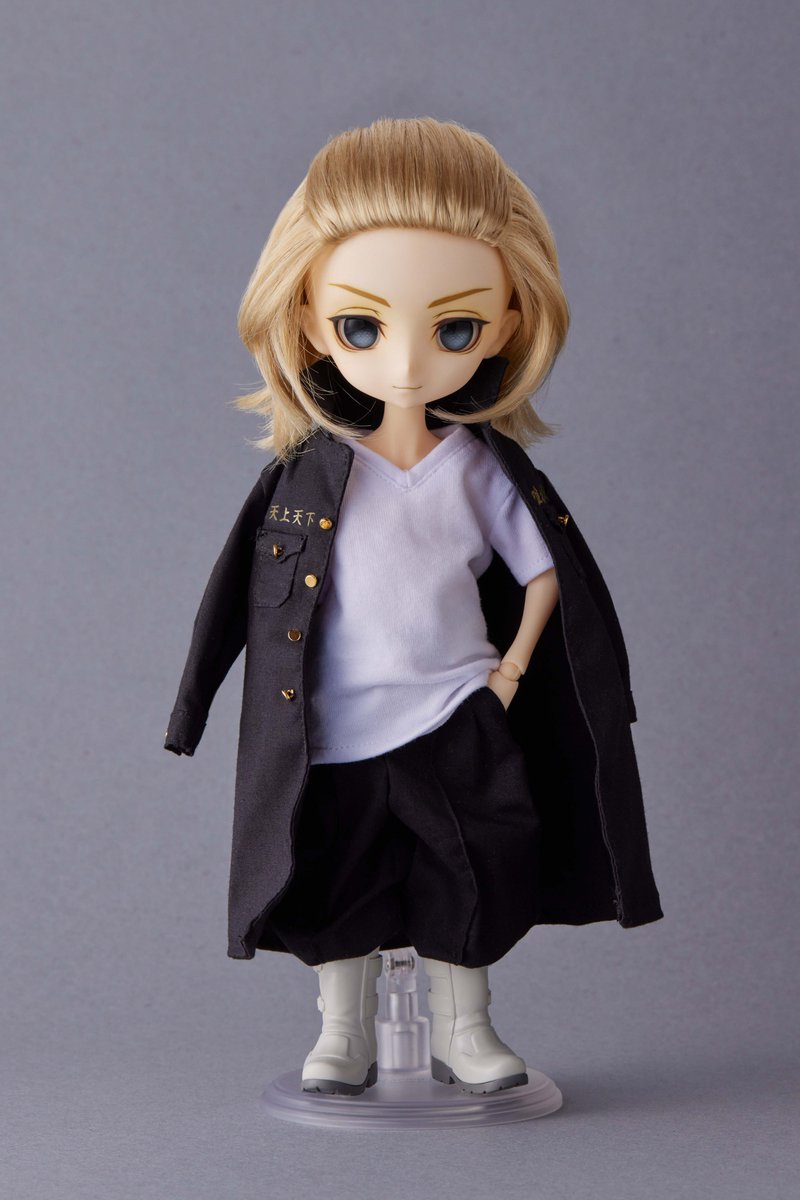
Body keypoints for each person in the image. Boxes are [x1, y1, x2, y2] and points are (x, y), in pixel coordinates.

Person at [164, 117, 663, 1099]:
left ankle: (466, 1028)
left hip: (454, 714)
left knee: (472, 869)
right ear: (308, 319)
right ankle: (341, 1033)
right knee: (334, 877)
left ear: (507, 323)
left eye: (453, 329)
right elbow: (232, 600)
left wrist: (507, 674)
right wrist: (192, 711)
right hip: (335, 725)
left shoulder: (479, 470)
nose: (403, 365)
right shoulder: (306, 477)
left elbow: (550, 577)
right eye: (363, 326)